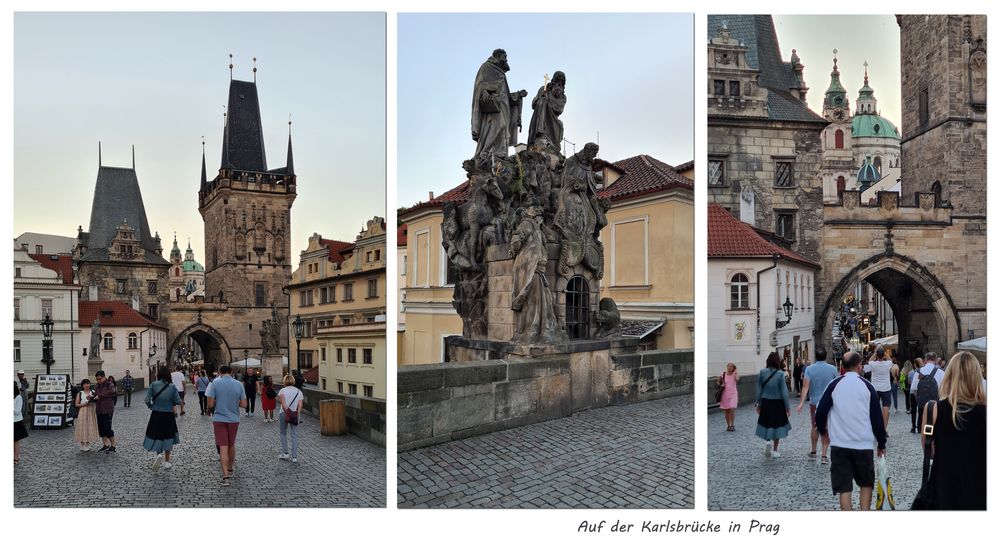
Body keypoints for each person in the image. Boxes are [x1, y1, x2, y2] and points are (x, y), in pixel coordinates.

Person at [815, 351, 887, 511]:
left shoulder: (834, 385)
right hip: (864, 444)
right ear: (860, 366)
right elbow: (877, 419)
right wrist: (881, 443)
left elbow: (820, 412)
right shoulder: (868, 386)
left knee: (844, 488)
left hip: (840, 444)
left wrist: (823, 431)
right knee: (866, 484)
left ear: (842, 367)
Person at [921, 351, 986, 509]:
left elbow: (928, 450)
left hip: (943, 486)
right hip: (980, 488)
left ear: (949, 376)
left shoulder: (933, 409)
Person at [797, 345, 839, 464]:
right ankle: (824, 456)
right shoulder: (832, 369)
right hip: (829, 403)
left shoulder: (809, 369)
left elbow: (805, 387)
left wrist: (801, 403)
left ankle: (814, 451)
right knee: (826, 427)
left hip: (814, 403)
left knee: (815, 426)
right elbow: (837, 386)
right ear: (825, 356)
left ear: (815, 356)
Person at [206, 365, 247, 487]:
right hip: (233, 419)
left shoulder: (215, 383)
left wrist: (219, 400)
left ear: (219, 372)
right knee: (231, 445)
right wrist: (234, 402)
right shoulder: (239, 384)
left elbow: (210, 404)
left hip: (219, 419)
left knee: (223, 447)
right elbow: (244, 404)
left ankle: (225, 477)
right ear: (231, 372)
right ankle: (230, 468)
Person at [143, 366, 182, 470]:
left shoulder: (153, 385)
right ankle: (167, 461)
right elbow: (178, 401)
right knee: (168, 436)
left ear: (159, 375)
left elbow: (147, 399)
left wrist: (151, 406)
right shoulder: (172, 387)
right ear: (169, 375)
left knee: (157, 434)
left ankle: (159, 455)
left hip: (156, 414)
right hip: (168, 415)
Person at [755, 352, 790, 458]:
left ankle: (767, 442)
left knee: (767, 423)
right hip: (777, 402)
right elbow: (784, 392)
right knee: (777, 425)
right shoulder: (780, 374)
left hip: (765, 401)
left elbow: (758, 390)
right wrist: (787, 407)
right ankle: (775, 450)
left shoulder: (762, 372)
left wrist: (758, 403)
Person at [915, 352, 946, 432]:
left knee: (924, 424)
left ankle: (926, 439)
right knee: (934, 423)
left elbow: (913, 389)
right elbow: (944, 390)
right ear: (936, 360)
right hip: (936, 403)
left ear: (925, 360)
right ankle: (932, 437)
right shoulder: (941, 372)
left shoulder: (918, 372)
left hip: (922, 403)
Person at [278, 374, 303, 462]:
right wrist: (296, 414)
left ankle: (285, 453)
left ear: (285, 381)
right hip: (295, 414)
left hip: (284, 413)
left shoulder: (282, 391)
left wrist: (287, 412)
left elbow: (283, 403)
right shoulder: (298, 391)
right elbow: (300, 405)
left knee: (283, 432)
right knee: (294, 435)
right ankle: (295, 457)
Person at [93, 370, 117, 453]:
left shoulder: (109, 384)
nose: (98, 381)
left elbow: (112, 391)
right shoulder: (97, 386)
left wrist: (99, 396)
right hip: (99, 410)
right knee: (101, 428)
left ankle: (113, 445)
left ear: (104, 377)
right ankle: (105, 444)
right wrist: (92, 397)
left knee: (107, 428)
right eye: (97, 379)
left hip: (107, 409)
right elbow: (95, 394)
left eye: (99, 379)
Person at [73, 379, 99, 451]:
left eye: (88, 383)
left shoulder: (93, 392)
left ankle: (87, 442)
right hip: (83, 411)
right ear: (82, 385)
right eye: (85, 384)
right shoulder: (80, 393)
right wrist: (84, 404)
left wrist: (94, 400)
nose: (87, 385)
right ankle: (82, 444)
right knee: (82, 427)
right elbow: (76, 404)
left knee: (88, 427)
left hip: (91, 411)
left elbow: (97, 400)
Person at [717, 363, 739, 431]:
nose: (729, 367)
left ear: (733, 368)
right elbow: (717, 381)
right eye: (728, 366)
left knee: (732, 409)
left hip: (733, 394)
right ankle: (728, 425)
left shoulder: (735, 374)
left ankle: (732, 425)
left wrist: (736, 372)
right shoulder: (723, 374)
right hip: (725, 394)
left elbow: (737, 379)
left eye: (731, 366)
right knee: (727, 410)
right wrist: (721, 385)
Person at [14, 381, 28, 465]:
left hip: (16, 422)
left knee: (16, 441)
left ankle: (16, 457)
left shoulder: (18, 397)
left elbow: (17, 411)